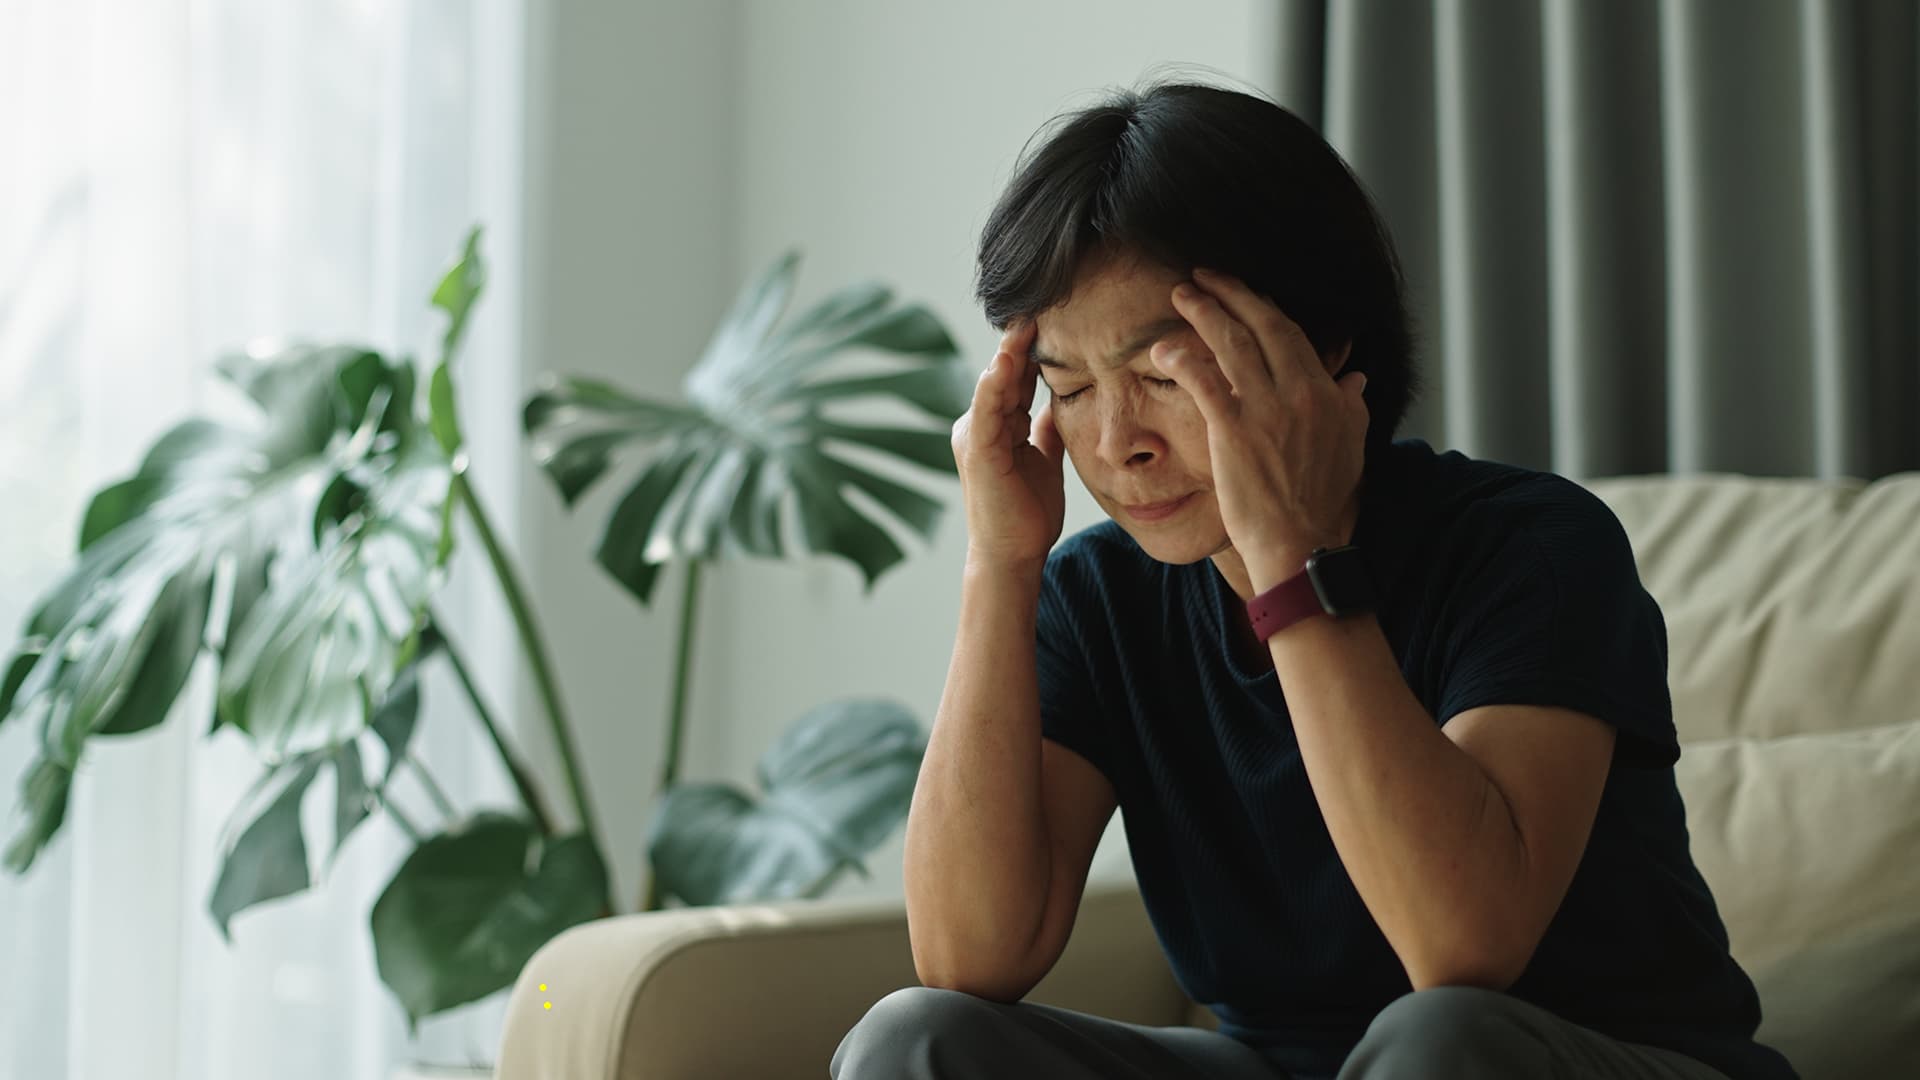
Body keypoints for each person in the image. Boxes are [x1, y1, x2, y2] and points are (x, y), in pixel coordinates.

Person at [830, 81, 1797, 1080]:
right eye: (1070, 389)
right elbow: (968, 954)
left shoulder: (1534, 549)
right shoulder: (1098, 597)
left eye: (1164, 374)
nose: (1118, 444)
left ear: (1322, 340)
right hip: (1284, 1065)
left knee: (1439, 1043)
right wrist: (1002, 564)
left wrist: (1287, 556)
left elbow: (1460, 947)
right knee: (917, 1040)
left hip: (1565, 1057)